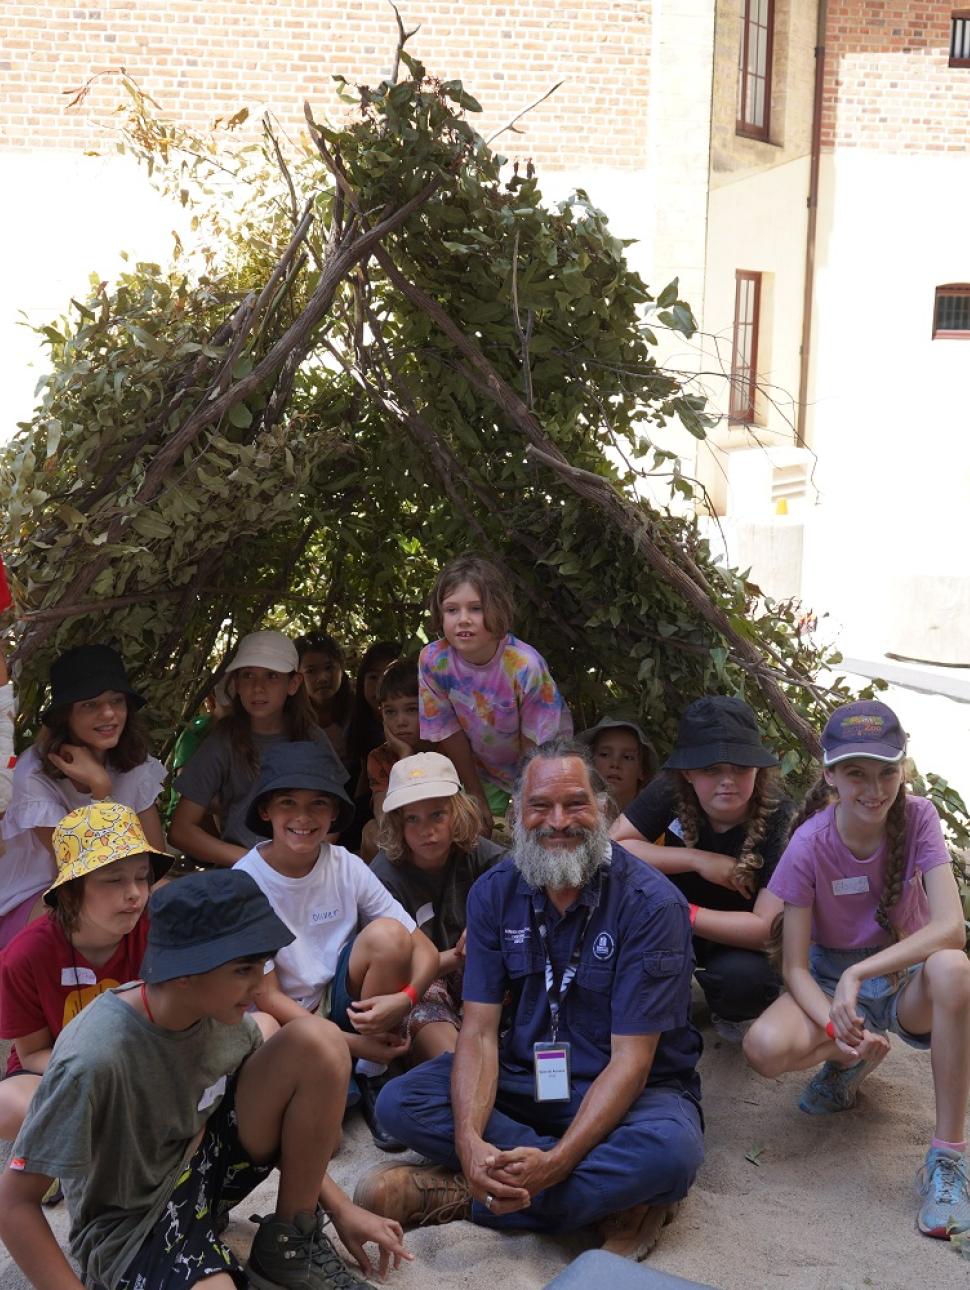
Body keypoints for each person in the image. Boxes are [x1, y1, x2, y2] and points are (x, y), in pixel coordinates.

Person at [355, 738, 703, 1261]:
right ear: (517, 814)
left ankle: (458, 1195)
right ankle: (608, 1202)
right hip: (529, 1078)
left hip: (635, 1091)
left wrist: (559, 1162)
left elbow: (634, 1061)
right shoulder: (495, 892)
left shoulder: (651, 904)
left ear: (603, 811)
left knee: (671, 1156)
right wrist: (471, 1143)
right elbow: (476, 1032)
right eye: (540, 805)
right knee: (401, 1101)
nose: (558, 821)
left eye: (575, 804)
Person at [0, 867, 411, 1289]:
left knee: (319, 1041)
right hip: (133, 1223)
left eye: (261, 965)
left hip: (207, 1170)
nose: (258, 985)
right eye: (243, 969)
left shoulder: (218, 1013)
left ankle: (290, 1240)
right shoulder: (94, 1055)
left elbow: (284, 1116)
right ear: (184, 973)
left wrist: (340, 1207)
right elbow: (13, 1203)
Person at [743, 700, 970, 1241]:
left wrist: (860, 975)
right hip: (827, 978)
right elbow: (796, 969)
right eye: (856, 773)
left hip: (906, 977)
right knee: (763, 1047)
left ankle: (947, 1159)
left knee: (955, 969)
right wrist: (835, 1024)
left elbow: (950, 928)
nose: (874, 788)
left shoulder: (918, 816)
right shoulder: (808, 843)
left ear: (904, 770)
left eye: (887, 771)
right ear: (830, 775)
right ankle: (847, 1062)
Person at [236, 741, 440, 1150]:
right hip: (287, 1021)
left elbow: (424, 949)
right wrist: (347, 1042)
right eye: (288, 803)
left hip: (343, 1001)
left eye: (317, 805)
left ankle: (372, 1075)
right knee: (325, 1147)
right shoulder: (245, 880)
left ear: (332, 814)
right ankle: (346, 1069)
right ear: (266, 811)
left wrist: (407, 997)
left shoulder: (345, 865)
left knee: (389, 936)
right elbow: (266, 994)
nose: (303, 818)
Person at [610, 696, 794, 1040]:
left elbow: (767, 929)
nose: (728, 780)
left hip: (738, 940)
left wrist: (681, 913)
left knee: (745, 981)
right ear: (688, 773)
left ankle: (731, 1010)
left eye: (740, 767)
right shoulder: (670, 790)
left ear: (758, 770)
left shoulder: (781, 817)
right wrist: (699, 860)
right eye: (711, 769)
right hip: (669, 930)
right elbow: (612, 848)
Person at [0, 802, 172, 1141]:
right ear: (69, 892)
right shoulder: (24, 955)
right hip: (61, 1070)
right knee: (8, 1106)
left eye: (142, 877)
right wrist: (101, 1073)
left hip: (146, 1062)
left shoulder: (159, 930)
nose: (135, 893)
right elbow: (32, 1053)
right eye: (114, 880)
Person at [0, 644, 166, 950]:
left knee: (180, 899)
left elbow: (153, 861)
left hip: (116, 888)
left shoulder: (134, 762)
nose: (108, 714)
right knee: (90, 911)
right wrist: (101, 790)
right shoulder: (34, 774)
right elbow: (82, 871)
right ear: (66, 716)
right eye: (90, 705)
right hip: (40, 901)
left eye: (117, 701)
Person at [418, 554, 572, 836]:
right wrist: (475, 793)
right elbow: (449, 731)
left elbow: (535, 741)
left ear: (497, 609)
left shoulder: (525, 665)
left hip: (543, 762)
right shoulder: (433, 660)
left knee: (532, 834)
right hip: (483, 766)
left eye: (475, 608)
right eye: (452, 610)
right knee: (476, 830)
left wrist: (522, 798)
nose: (463, 620)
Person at [370, 753, 506, 1063]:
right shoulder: (383, 877)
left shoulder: (484, 857)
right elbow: (401, 967)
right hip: (417, 987)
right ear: (396, 823)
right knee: (456, 1059)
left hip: (483, 977)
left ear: (457, 813)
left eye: (437, 815)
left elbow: (520, 897)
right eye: (411, 818)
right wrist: (465, 953)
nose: (425, 830)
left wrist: (489, 925)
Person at [169, 630, 343, 867]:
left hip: (305, 866)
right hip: (243, 870)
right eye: (248, 675)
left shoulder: (312, 739)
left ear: (293, 684)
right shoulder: (224, 741)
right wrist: (254, 863)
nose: (258, 687)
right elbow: (181, 830)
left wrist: (306, 861)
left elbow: (336, 817)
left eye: (271, 676)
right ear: (237, 684)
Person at [359, 660, 429, 861]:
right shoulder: (380, 757)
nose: (400, 721)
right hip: (401, 834)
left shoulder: (446, 749)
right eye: (390, 712)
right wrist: (404, 757)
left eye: (411, 709)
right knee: (371, 832)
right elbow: (384, 819)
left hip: (440, 832)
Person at [578, 714, 657, 816]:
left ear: (642, 770)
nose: (615, 764)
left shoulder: (656, 822)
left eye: (627, 757)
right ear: (590, 763)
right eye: (604, 754)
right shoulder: (574, 817)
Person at [297, 631, 355, 768]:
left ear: (341, 668)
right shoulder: (288, 716)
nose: (323, 678)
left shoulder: (358, 708)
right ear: (297, 677)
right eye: (311, 671)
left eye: (329, 668)